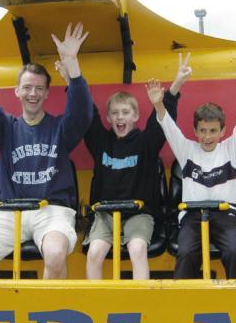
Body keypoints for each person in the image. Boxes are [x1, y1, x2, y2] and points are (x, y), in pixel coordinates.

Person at [0, 17, 93, 280]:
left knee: (55, 254)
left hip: (52, 212)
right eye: (28, 87)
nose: (33, 93)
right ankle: (9, 312)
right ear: (17, 92)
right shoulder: (5, 128)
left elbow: (82, 112)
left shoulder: (61, 130)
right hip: (11, 211)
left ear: (46, 94)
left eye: (39, 89)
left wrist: (72, 65)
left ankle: (46, 315)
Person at [77, 53, 191, 280]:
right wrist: (74, 78)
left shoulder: (145, 143)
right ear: (108, 117)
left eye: (126, 113)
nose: (120, 118)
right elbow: (87, 111)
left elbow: (161, 122)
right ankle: (97, 305)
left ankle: (140, 304)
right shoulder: (101, 142)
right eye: (115, 113)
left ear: (136, 115)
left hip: (139, 215)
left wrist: (175, 86)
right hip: (106, 215)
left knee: (137, 249)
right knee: (94, 252)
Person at [150, 76, 236, 279]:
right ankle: (186, 302)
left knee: (234, 252)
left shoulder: (231, 148)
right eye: (202, 131)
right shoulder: (186, 150)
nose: (207, 137)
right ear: (195, 131)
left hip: (225, 214)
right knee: (185, 253)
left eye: (213, 131)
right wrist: (159, 104)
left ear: (223, 132)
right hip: (192, 216)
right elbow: (168, 126)